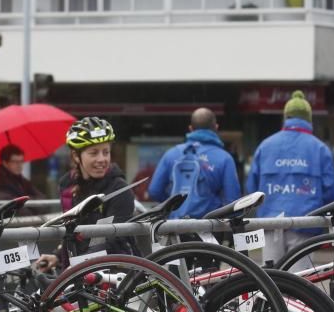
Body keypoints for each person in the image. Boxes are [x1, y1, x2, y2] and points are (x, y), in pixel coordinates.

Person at [245, 91, 334, 263]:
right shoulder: (320, 149)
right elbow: (330, 193)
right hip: (305, 224)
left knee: (271, 280)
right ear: (308, 119)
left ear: (286, 117)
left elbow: (252, 188)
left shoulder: (265, 146)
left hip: (270, 224)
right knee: (299, 283)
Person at [59, 117, 135, 256]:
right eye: (93, 153)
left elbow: (112, 239)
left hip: (117, 268)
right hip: (78, 268)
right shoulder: (67, 185)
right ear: (76, 156)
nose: (102, 159)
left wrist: (81, 265)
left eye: (106, 152)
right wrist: (56, 256)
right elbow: (70, 233)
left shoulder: (119, 188)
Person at [147, 107, 241, 218]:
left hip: (173, 228)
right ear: (216, 128)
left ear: (191, 129)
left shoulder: (171, 154)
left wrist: (173, 206)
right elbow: (232, 200)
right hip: (208, 228)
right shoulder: (225, 158)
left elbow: (154, 191)